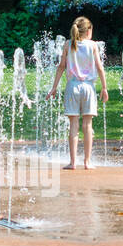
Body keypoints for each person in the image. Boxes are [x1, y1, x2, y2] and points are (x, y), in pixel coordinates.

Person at [46, 16, 108, 170]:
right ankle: (87, 162)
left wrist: (54, 87)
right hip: (88, 87)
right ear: (88, 31)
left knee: (73, 125)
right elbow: (100, 68)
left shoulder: (68, 44)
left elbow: (61, 67)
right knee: (87, 125)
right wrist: (104, 88)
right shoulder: (93, 45)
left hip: (72, 86)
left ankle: (73, 162)